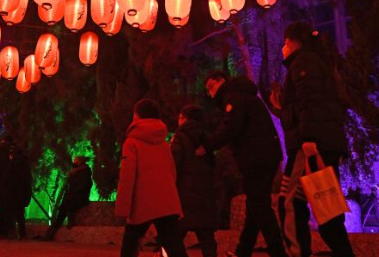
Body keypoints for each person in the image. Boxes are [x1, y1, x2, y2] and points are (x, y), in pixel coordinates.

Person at [274, 23, 354, 257]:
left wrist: (308, 139)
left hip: (308, 147)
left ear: (293, 42)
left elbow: (310, 101)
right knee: (326, 210)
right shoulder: (317, 62)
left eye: (285, 42)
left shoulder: (304, 63)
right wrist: (282, 109)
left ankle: (297, 253)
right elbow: (308, 104)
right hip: (320, 143)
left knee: (288, 203)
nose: (283, 48)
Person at [205, 70, 287, 257]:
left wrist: (208, 145)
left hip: (255, 158)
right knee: (255, 205)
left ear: (221, 81)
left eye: (211, 86)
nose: (210, 92)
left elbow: (230, 127)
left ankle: (278, 251)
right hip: (265, 156)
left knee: (259, 205)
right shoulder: (246, 96)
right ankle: (244, 251)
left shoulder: (233, 98)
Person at [115, 99, 188, 257]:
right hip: (166, 201)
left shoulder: (132, 142)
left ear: (137, 116)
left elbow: (127, 176)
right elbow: (171, 171)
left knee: (131, 240)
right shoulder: (162, 142)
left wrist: (123, 207)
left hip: (143, 202)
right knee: (173, 242)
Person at [171, 105, 218, 257]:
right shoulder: (207, 138)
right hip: (205, 194)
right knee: (207, 238)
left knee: (173, 237)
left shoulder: (180, 137)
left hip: (184, 194)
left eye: (180, 117)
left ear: (185, 119)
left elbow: (174, 164)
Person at [44, 155, 93, 241]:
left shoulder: (85, 173)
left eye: (75, 161)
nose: (74, 162)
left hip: (80, 197)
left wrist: (72, 191)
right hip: (71, 197)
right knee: (62, 209)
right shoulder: (73, 172)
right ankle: (49, 234)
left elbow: (84, 186)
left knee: (68, 205)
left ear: (80, 162)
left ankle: (70, 220)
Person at [0, 143, 32, 241]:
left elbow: (7, 179)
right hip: (21, 194)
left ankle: (11, 233)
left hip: (12, 193)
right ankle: (22, 234)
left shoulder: (12, 164)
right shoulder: (25, 164)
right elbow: (27, 181)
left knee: (11, 214)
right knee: (20, 215)